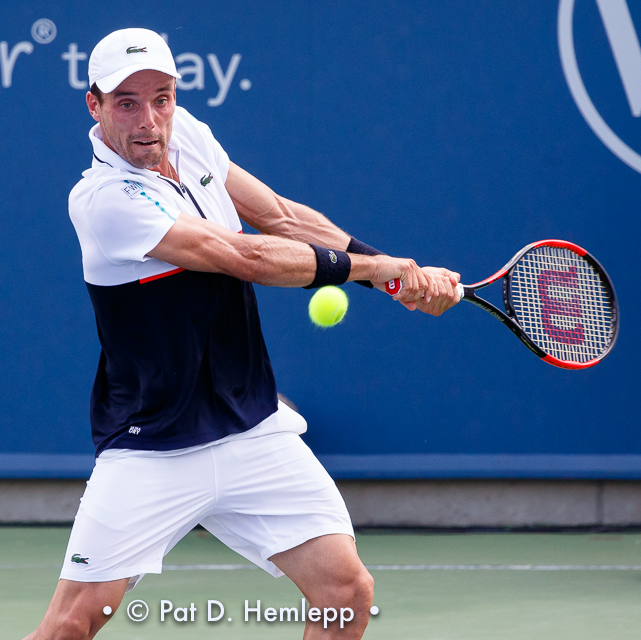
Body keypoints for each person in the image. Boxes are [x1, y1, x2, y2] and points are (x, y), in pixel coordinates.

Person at [24, 27, 459, 640]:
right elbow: (247, 257)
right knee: (71, 626)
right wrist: (375, 270)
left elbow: (280, 215)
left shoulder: (191, 135)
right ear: (93, 105)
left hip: (252, 428)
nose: (149, 120)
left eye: (162, 97)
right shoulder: (101, 201)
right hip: (155, 446)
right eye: (127, 102)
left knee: (345, 593)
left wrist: (393, 273)